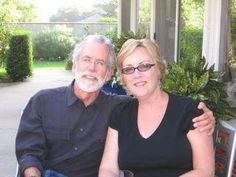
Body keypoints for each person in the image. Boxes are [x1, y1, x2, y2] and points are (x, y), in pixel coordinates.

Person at [15, 35, 215, 177]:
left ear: (110, 74)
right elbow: (29, 151)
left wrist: (207, 115)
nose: (92, 68)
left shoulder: (121, 108)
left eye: (100, 63)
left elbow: (204, 170)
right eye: (86, 60)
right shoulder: (43, 101)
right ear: (74, 65)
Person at [99, 39, 215, 177]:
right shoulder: (121, 113)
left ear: (159, 69)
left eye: (144, 66)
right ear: (123, 77)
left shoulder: (191, 112)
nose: (136, 75)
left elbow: (205, 171)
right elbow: (108, 169)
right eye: (128, 69)